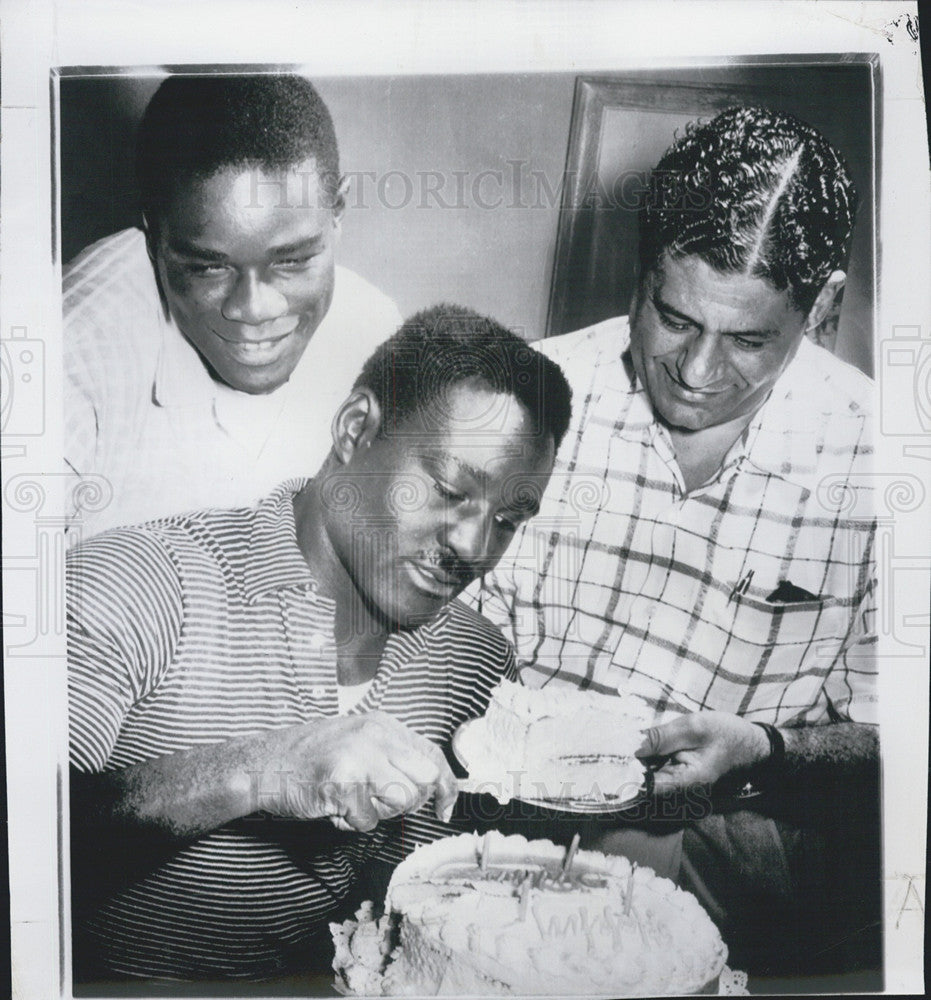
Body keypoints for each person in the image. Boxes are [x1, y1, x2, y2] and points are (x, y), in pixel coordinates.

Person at [471, 107, 879, 977]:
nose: (695, 373)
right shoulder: (529, 399)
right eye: (672, 318)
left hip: (737, 844)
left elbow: (898, 743)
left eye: (746, 340)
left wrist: (764, 751)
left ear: (824, 306)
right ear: (639, 270)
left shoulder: (885, 463)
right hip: (499, 825)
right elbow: (429, 641)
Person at [67, 304, 572, 982]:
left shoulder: (473, 664)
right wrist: (257, 770)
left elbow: (401, 930)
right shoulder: (140, 581)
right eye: (450, 490)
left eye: (508, 520)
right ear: (356, 428)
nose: (474, 547)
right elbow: (23, 853)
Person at [64, 73, 402, 538]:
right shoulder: (76, 339)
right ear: (153, 235)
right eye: (208, 268)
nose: (255, 308)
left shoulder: (376, 332)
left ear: (337, 212)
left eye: (294, 260)